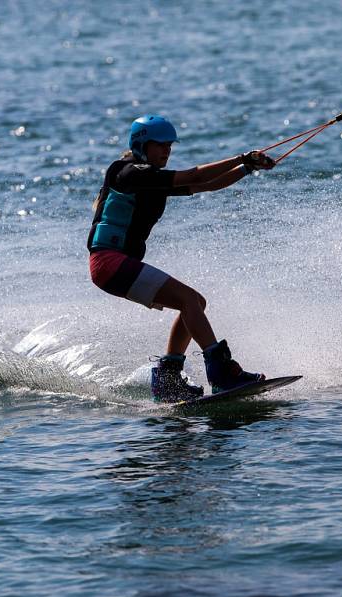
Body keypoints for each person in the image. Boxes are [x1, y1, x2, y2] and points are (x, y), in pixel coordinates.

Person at [87, 114, 276, 402]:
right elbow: (197, 174)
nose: (167, 150)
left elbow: (208, 185)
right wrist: (242, 157)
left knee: (195, 303)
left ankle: (168, 379)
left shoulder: (151, 179)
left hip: (116, 266)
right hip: (109, 263)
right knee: (189, 300)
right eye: (160, 145)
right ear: (141, 145)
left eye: (169, 146)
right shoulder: (127, 172)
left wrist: (247, 168)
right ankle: (222, 374)